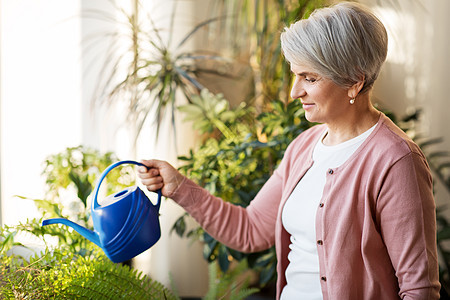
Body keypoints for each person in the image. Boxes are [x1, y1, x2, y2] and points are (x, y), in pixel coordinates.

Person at [138, 2, 440, 299]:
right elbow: (250, 229)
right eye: (296, 75)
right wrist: (178, 187)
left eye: (309, 78)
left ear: (354, 82)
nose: (295, 92)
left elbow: (419, 289)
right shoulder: (304, 147)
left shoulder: (396, 160)